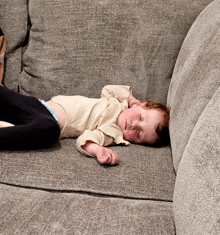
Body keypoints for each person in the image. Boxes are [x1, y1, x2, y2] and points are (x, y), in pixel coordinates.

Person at [0, 85, 170, 165]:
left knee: (49, 131)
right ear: (141, 105)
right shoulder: (115, 102)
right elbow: (108, 89)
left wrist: (98, 150)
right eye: (140, 117)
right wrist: (131, 99)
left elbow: (86, 138)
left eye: (139, 134)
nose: (133, 125)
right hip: (38, 105)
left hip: (47, 122)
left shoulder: (112, 131)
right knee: (6, 95)